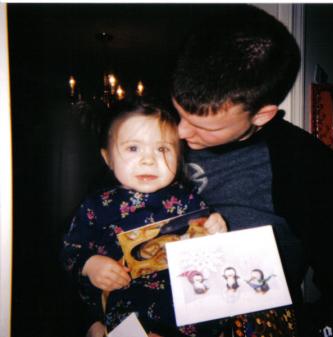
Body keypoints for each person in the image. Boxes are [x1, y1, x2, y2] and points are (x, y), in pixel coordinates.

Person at [170, 5, 333, 337]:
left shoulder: (312, 172)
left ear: (262, 115)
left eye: (205, 127)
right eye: (178, 112)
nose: (180, 133)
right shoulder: (147, 131)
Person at [61, 99, 227, 337]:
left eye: (162, 149)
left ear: (179, 156)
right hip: (125, 312)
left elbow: (210, 249)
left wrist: (216, 228)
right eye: (133, 148)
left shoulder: (187, 200)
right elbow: (69, 250)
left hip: (188, 309)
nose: (148, 160)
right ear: (107, 158)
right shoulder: (96, 206)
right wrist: (90, 264)